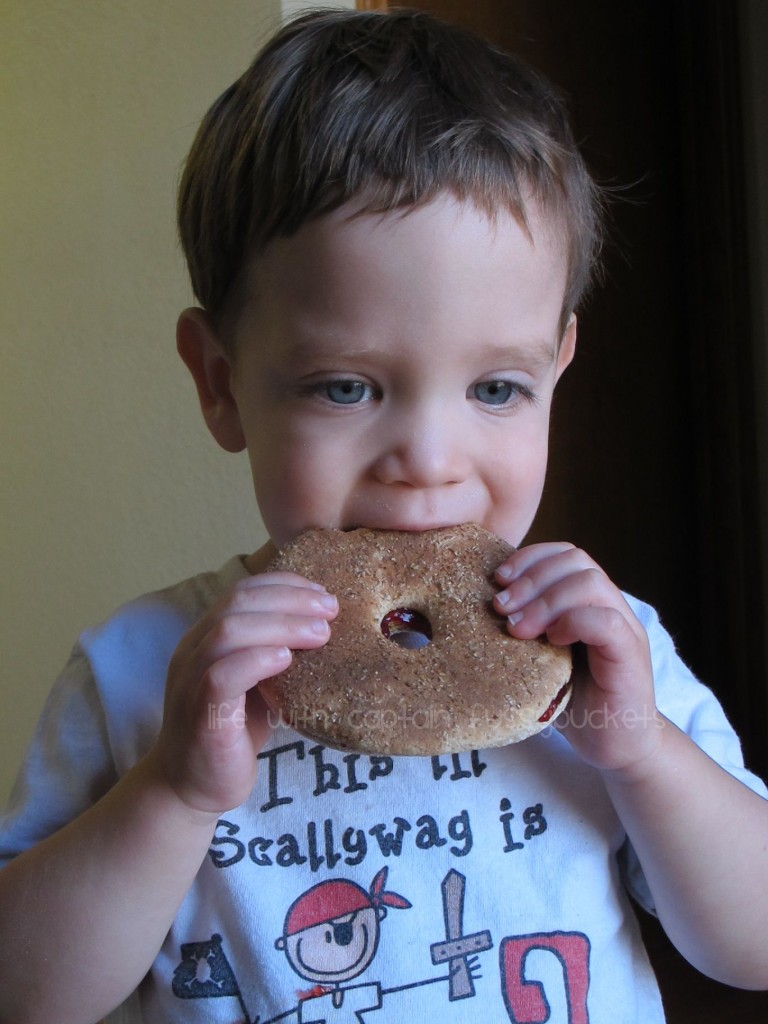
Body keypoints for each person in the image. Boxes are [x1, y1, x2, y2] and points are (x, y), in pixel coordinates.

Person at [1, 9, 767, 1023]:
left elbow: (752, 947)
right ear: (222, 384)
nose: (429, 464)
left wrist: (638, 746)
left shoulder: (608, 654)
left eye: (496, 389)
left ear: (558, 369)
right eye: (345, 388)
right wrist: (172, 793)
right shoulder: (144, 671)